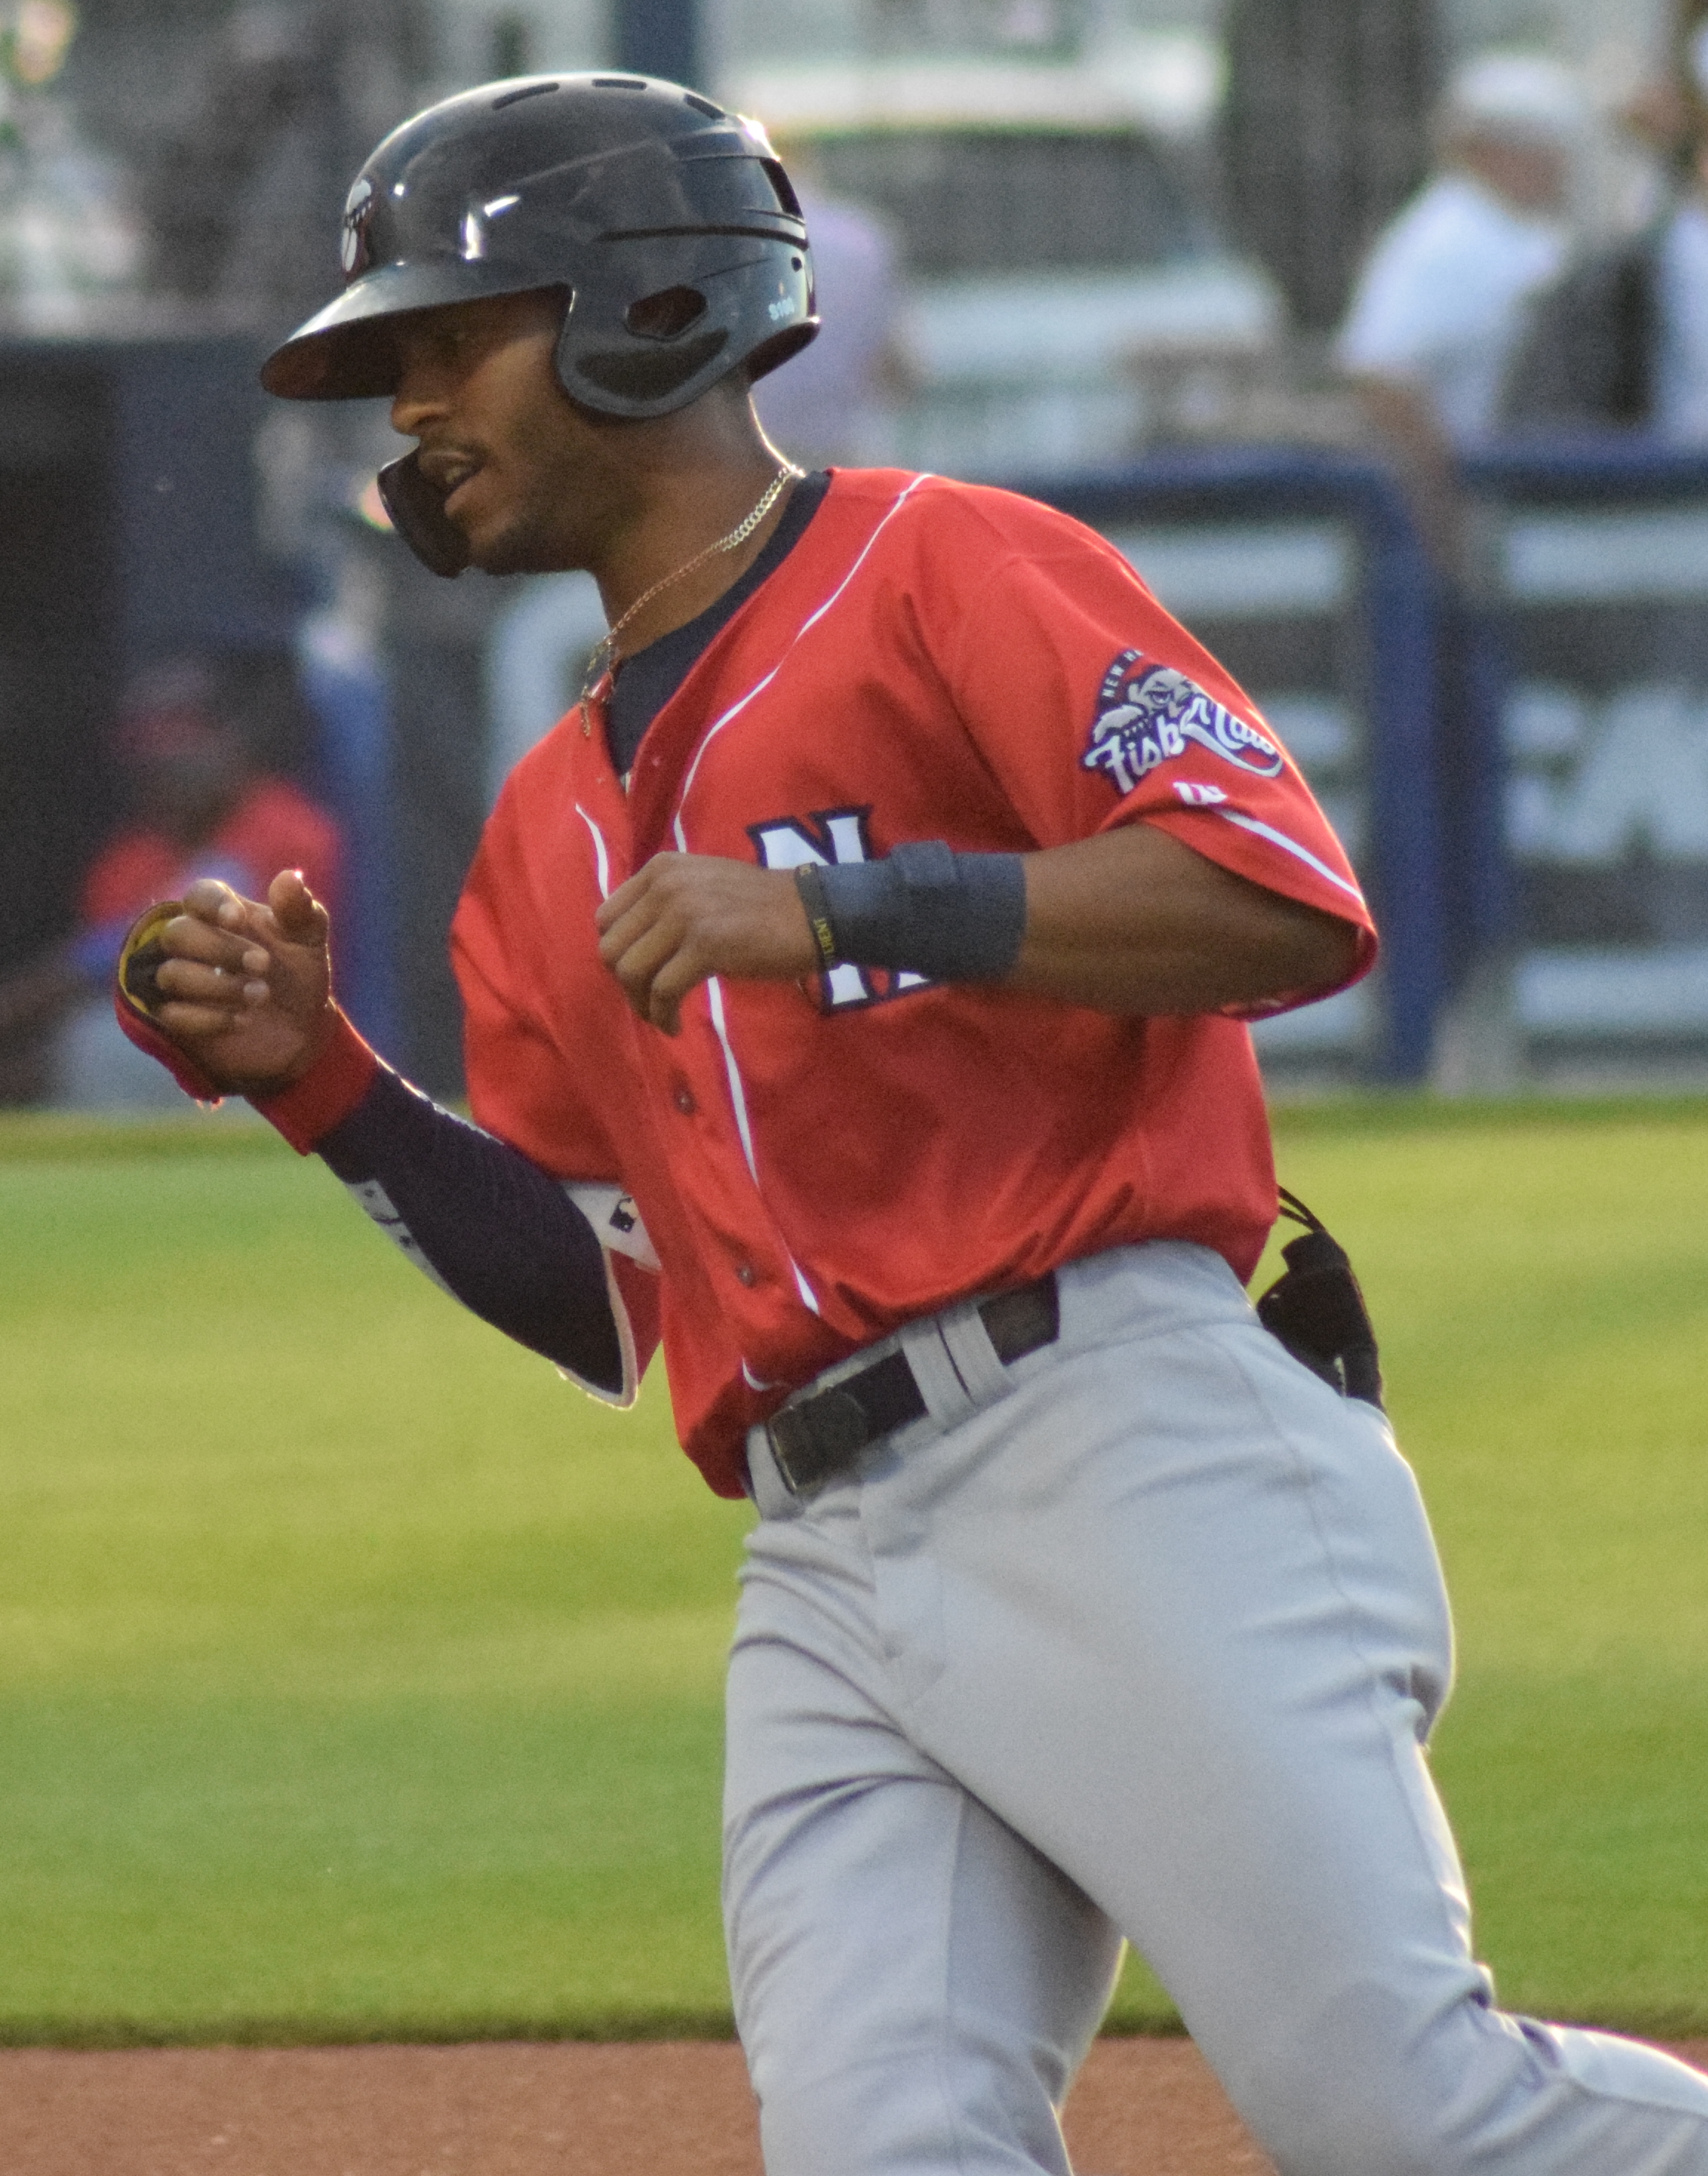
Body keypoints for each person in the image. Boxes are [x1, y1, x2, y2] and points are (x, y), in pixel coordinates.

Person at [115, 76, 1708, 2176]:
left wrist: (850, 901)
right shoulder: (535, 830)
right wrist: (317, 1089)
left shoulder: (948, 565)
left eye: (448, 339)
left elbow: (1278, 901)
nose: (407, 405)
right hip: (823, 1552)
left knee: (1407, 2115)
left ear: (638, 309)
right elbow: (607, 1303)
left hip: (1124, 1444)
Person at [0, 657, 341, 1109]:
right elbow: (111, 996)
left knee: (100, 1046)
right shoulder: (126, 863)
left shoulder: (286, 828)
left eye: (185, 737)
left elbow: (119, 952)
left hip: (279, 1057)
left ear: (229, 739)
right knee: (94, 1038)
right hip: (168, 1071)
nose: (170, 763)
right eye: (152, 749)